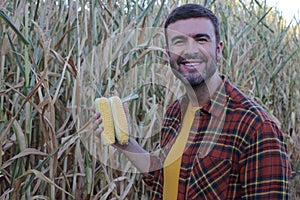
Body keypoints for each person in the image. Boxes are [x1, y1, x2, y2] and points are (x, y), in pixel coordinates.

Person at [93, 4, 292, 199]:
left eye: (201, 39)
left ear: (219, 49)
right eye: (179, 41)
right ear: (168, 53)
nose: (190, 50)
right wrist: (126, 144)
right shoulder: (175, 112)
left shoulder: (256, 127)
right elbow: (167, 179)